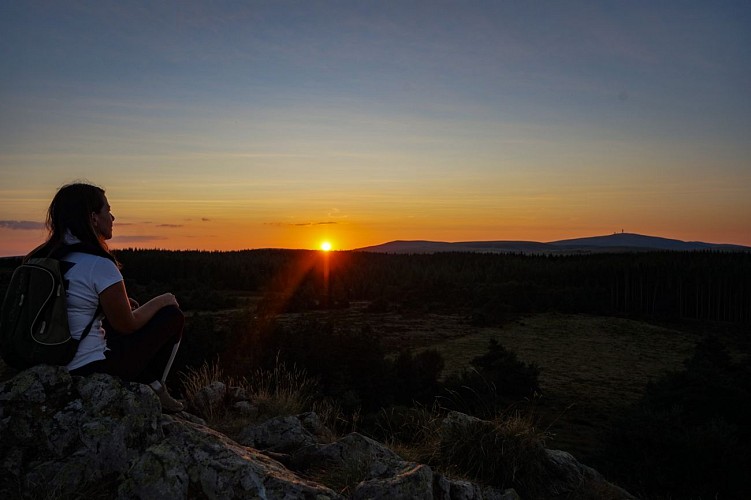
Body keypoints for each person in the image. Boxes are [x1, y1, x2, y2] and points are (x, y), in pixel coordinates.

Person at [26, 182, 185, 412]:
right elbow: (127, 325)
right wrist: (163, 300)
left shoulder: (39, 258)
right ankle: (156, 388)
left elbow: (67, 304)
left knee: (113, 319)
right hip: (86, 365)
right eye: (107, 210)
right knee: (171, 316)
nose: (113, 217)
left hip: (45, 355)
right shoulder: (98, 264)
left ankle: (150, 382)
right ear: (93, 218)